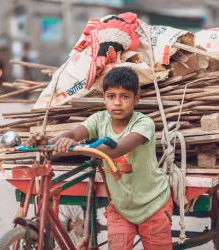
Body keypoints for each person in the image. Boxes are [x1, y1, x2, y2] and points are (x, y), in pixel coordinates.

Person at [26, 67, 173, 250]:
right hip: (121, 207)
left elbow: (116, 150)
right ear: (104, 97)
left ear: (136, 98)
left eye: (124, 96)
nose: (117, 103)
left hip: (153, 205)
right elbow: (74, 133)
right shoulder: (99, 119)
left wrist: (76, 150)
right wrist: (48, 142)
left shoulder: (144, 124)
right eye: (111, 96)